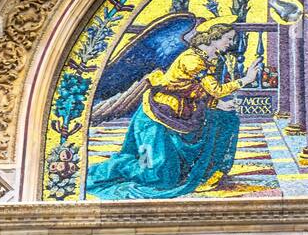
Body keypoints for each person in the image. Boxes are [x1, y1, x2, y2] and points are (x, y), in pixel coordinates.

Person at [86, 17, 260, 199]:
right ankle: (115, 168)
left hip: (177, 117)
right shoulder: (193, 61)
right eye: (229, 38)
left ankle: (204, 173)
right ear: (214, 37)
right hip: (156, 118)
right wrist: (246, 80)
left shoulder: (207, 58)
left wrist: (217, 104)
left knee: (225, 119)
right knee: (155, 176)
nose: (231, 43)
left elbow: (195, 91)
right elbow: (214, 90)